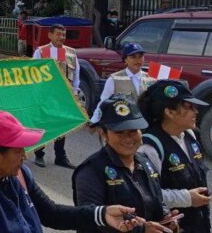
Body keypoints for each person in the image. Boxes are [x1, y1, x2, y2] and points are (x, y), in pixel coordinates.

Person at [0, 110, 144, 232]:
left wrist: (102, 213)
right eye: (18, 151)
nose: (25, 156)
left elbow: (51, 213)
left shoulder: (19, 174)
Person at [73, 95, 179, 233]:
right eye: (119, 132)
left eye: (133, 130)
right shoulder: (90, 171)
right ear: (104, 133)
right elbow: (90, 221)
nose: (128, 137)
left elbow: (157, 199)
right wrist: (140, 230)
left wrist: (166, 217)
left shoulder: (145, 162)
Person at [138, 81, 212, 232]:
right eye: (188, 107)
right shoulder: (150, 147)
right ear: (169, 113)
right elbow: (145, 194)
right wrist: (187, 198)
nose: (196, 111)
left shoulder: (190, 135)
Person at [32, 23, 77, 169]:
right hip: (45, 96)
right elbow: (33, 73)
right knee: (43, 125)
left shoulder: (71, 53)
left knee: (61, 126)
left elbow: (76, 75)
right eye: (58, 34)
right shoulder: (41, 51)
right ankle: (39, 154)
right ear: (50, 35)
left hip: (63, 96)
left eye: (63, 34)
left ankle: (60, 156)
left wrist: (74, 93)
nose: (61, 38)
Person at [91, 43, 154, 124]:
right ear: (125, 60)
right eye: (133, 57)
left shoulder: (151, 79)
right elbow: (103, 102)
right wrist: (94, 121)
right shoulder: (114, 79)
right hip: (123, 124)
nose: (138, 60)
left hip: (145, 123)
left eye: (140, 56)